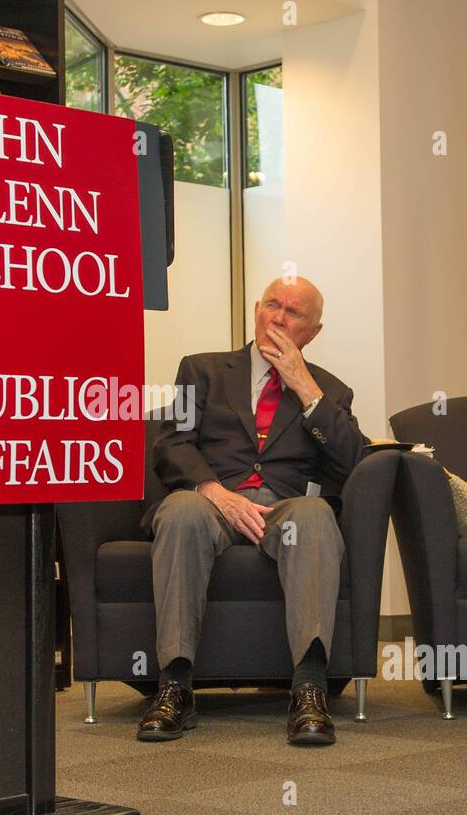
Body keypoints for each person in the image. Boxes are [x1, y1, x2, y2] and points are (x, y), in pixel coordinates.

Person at [139, 276, 368, 745]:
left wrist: (306, 390)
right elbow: (171, 442)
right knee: (181, 512)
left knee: (315, 515)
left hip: (286, 506)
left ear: (314, 331)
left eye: (294, 313)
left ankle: (309, 688)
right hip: (213, 500)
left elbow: (353, 462)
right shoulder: (201, 370)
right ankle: (175, 688)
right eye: (272, 306)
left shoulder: (331, 391)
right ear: (256, 309)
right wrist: (212, 489)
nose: (278, 318)